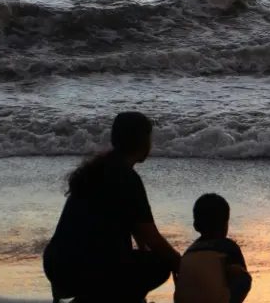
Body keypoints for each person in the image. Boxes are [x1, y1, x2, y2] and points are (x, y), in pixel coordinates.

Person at [43, 111, 181, 303]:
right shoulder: (127, 179)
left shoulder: (95, 170)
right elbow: (152, 238)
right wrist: (180, 262)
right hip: (85, 269)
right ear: (141, 141)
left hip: (56, 263)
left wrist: (143, 250)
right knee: (160, 264)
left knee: (129, 259)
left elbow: (138, 231)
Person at [175, 194, 251, 303]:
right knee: (243, 277)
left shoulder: (189, 251)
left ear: (195, 226)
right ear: (226, 225)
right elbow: (242, 282)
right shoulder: (229, 247)